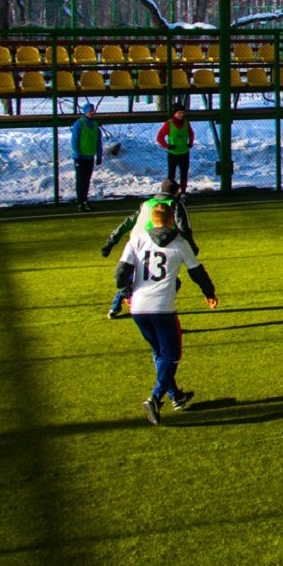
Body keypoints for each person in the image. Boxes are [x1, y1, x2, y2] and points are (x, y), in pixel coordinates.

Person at [114, 203, 218, 425]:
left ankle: (176, 396)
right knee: (172, 356)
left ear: (152, 220)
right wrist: (209, 293)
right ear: (172, 220)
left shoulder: (137, 240)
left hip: (139, 309)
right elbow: (197, 272)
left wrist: (126, 292)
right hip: (163, 309)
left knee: (159, 353)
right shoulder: (180, 243)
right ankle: (155, 397)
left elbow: (121, 271)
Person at [102, 178, 197, 319]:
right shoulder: (175, 204)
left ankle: (115, 307)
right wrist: (192, 248)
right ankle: (159, 307)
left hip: (135, 243)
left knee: (130, 274)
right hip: (155, 244)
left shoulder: (147, 203)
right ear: (177, 191)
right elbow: (184, 228)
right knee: (167, 279)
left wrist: (111, 242)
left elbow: (127, 223)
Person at [70, 103, 106, 212]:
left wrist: (99, 155)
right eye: (90, 110)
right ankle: (80, 202)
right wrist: (76, 154)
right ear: (85, 111)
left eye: (93, 110)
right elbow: (74, 140)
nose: (92, 112)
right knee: (80, 180)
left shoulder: (95, 124)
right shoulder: (79, 124)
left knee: (86, 180)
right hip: (80, 157)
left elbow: (98, 142)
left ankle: (85, 200)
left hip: (89, 157)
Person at [155, 106, 194, 191]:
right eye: (179, 113)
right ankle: (170, 192)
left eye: (183, 113)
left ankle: (183, 192)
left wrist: (190, 143)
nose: (181, 115)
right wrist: (167, 146)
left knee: (184, 174)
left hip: (184, 152)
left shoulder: (186, 123)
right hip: (173, 153)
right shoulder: (169, 123)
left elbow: (191, 133)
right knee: (171, 175)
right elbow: (159, 137)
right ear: (174, 113)